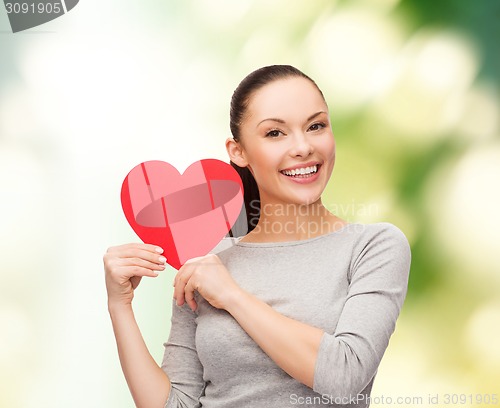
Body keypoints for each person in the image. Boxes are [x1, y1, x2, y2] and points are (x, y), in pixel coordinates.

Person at [104, 65, 411, 408]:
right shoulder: (206, 261)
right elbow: (175, 404)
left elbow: (345, 376)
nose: (303, 147)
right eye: (275, 133)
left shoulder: (373, 247)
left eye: (316, 126)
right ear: (238, 152)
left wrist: (232, 295)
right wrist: (120, 306)